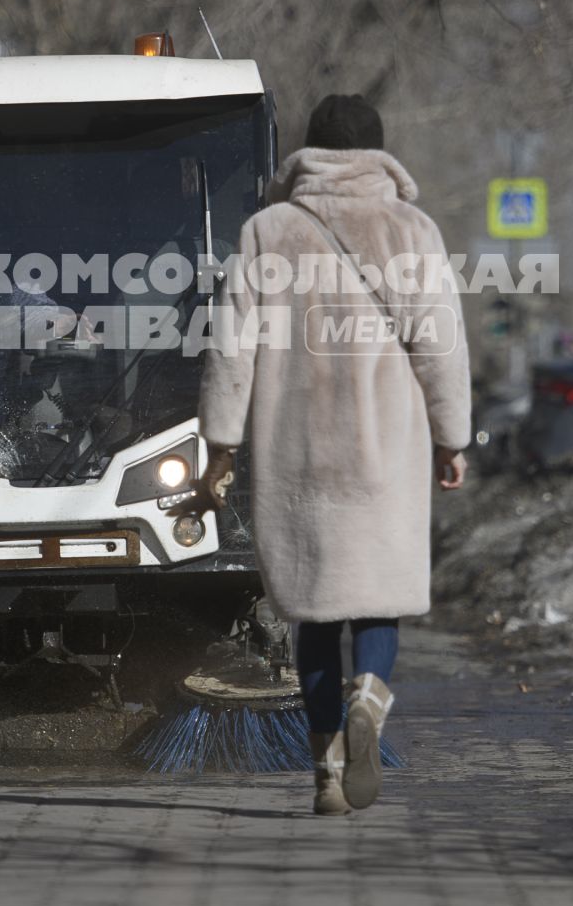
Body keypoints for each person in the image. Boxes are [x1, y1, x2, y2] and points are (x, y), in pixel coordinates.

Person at [194, 94, 470, 817]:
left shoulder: (266, 232)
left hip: (298, 454)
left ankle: (326, 773)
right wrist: (453, 436)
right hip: (387, 452)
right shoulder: (412, 231)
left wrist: (219, 444)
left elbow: (232, 349)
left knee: (312, 615)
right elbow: (441, 345)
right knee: (378, 600)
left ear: (308, 155)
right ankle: (370, 700)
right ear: (378, 155)